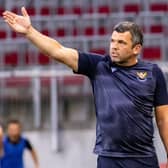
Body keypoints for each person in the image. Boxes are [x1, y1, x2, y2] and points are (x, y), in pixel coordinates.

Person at [2, 7, 168, 168]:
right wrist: (30, 32)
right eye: (112, 41)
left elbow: (163, 119)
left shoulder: (153, 73)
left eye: (121, 42)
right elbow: (57, 51)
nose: (114, 46)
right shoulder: (98, 66)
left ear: (136, 49)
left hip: (143, 159)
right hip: (109, 158)